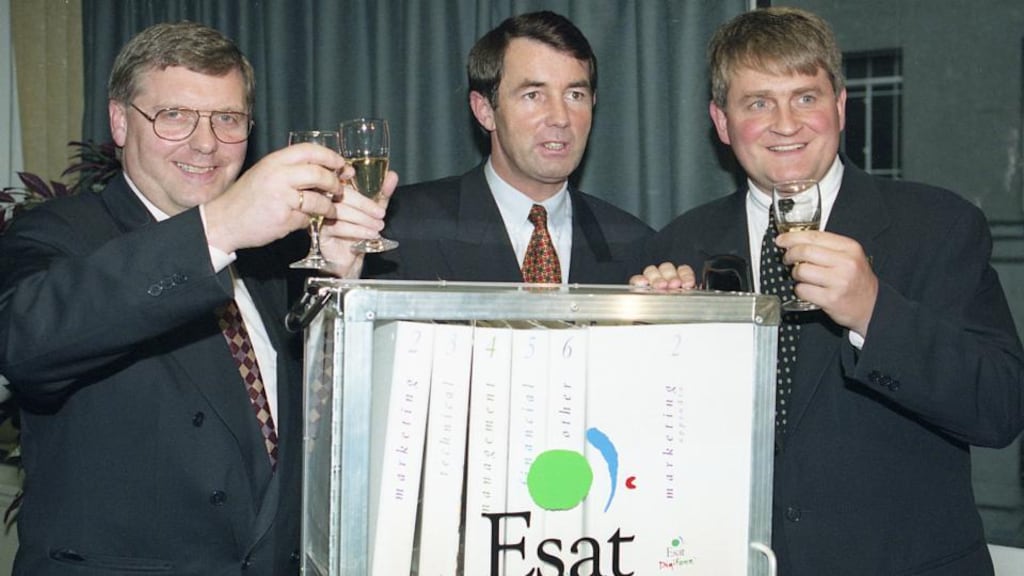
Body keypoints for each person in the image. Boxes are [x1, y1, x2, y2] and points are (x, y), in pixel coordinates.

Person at [634, 7, 1024, 575]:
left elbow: (1000, 408)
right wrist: (652, 346)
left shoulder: (938, 225)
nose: (785, 123)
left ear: (840, 105)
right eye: (758, 102)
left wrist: (873, 309)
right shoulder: (678, 244)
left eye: (806, 97)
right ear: (721, 122)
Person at [0, 21, 394, 575]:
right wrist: (217, 228)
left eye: (228, 119)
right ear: (119, 121)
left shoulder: (267, 254)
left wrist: (336, 278)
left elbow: (319, 419)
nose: (206, 142)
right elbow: (27, 344)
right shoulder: (58, 232)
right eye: (175, 116)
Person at [362, 10, 651, 283]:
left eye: (575, 95)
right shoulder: (400, 231)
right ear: (485, 110)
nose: (561, 118)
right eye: (533, 95)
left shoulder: (636, 246)